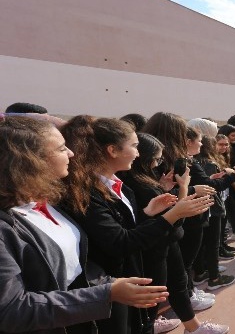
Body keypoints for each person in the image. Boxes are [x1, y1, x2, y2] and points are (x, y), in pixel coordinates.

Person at [0, 116, 169, 334]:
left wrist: (109, 283)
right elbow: (12, 310)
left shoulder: (45, 202)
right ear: (30, 160)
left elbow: (77, 264)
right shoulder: (6, 226)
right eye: (62, 149)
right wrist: (106, 293)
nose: (71, 153)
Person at [60, 116, 216, 334]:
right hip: (113, 287)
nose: (138, 153)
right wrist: (172, 215)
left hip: (129, 276)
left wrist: (146, 213)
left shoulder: (118, 186)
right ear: (113, 150)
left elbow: (125, 229)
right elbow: (119, 242)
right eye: (134, 146)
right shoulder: (87, 194)